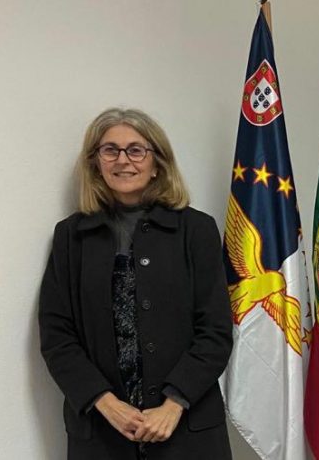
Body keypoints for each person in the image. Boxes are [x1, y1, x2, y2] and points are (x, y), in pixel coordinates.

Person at [39, 108, 233, 460]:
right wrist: (105, 402)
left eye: (135, 150)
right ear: (96, 163)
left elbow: (215, 330)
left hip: (187, 428)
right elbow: (57, 335)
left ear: (157, 163)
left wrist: (174, 403)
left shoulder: (196, 230)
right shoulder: (71, 236)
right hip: (101, 431)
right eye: (109, 150)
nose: (122, 160)